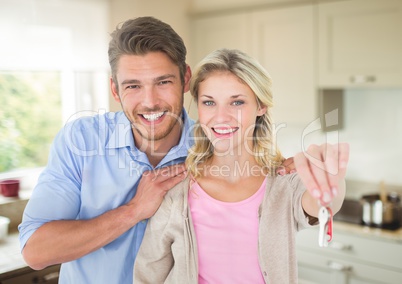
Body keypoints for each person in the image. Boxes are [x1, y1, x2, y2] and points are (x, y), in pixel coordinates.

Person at [18, 17, 295, 283]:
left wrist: (299, 172)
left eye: (163, 82)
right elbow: (36, 251)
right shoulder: (82, 141)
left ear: (186, 79)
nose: (150, 102)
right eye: (133, 86)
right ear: (115, 90)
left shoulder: (217, 144)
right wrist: (134, 210)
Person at [133, 48, 349, 283]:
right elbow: (148, 272)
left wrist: (331, 179)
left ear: (261, 106)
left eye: (236, 102)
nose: (221, 116)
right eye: (209, 102)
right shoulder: (177, 190)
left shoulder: (283, 182)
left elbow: (322, 205)